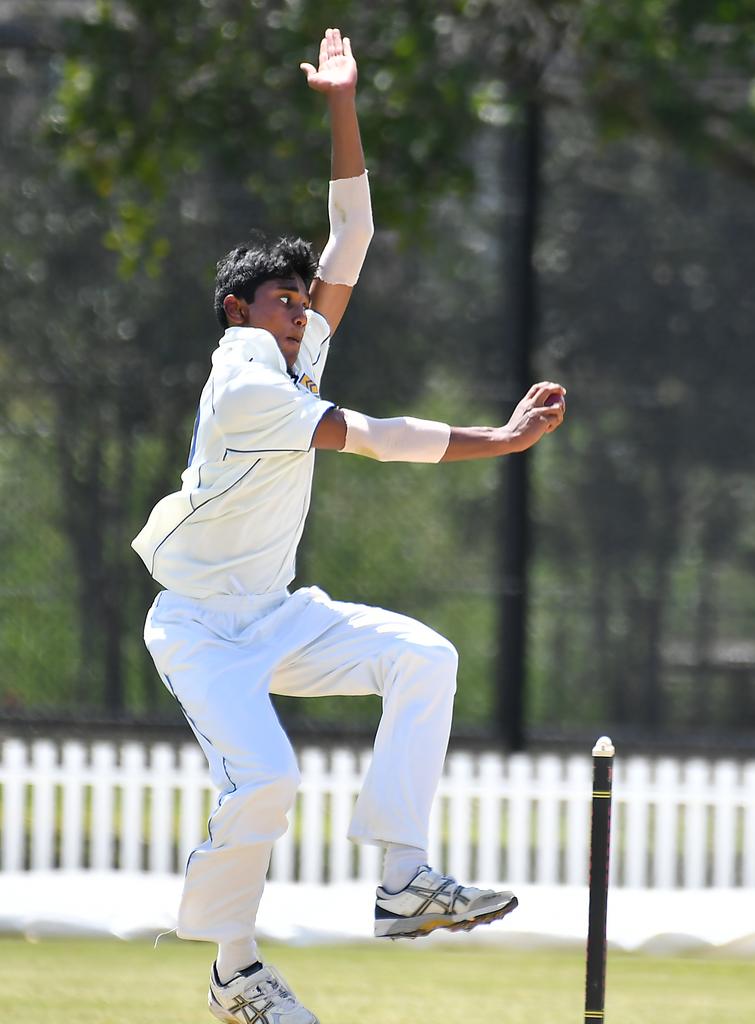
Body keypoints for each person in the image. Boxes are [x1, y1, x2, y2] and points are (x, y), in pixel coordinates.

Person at [132, 27, 566, 1024]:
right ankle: (234, 970)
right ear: (237, 311)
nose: (301, 313)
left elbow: (352, 234)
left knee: (424, 656)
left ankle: (404, 876)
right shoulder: (243, 374)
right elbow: (368, 437)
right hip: (199, 627)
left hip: (275, 612)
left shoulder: (291, 354)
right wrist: (496, 442)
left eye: (302, 302)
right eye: (284, 302)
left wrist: (341, 101)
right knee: (269, 778)